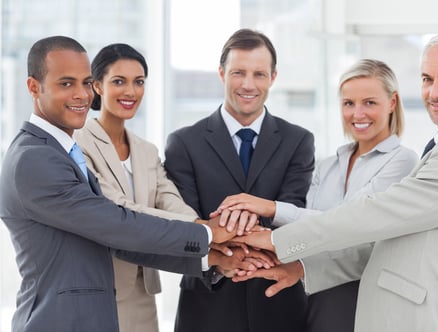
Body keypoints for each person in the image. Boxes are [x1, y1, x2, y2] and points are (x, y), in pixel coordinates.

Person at [231, 31, 438, 332]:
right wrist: (301, 268)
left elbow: (373, 214)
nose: (434, 92)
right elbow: (384, 242)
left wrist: (276, 239)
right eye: (427, 79)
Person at [0, 36, 253, 332]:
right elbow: (118, 225)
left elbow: (114, 239)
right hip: (60, 321)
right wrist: (207, 232)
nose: (81, 95)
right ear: (33, 87)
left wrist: (210, 259)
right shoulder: (36, 159)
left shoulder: (62, 151)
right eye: (66, 84)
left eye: (85, 83)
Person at [75, 43, 270, 332]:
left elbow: (170, 201)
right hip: (99, 289)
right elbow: (118, 209)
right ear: (97, 86)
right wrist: (207, 231)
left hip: (143, 293)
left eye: (138, 82)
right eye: (119, 81)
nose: (130, 91)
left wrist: (214, 239)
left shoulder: (146, 151)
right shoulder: (79, 143)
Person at [216, 59, 418, 331]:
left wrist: (272, 209)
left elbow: (351, 225)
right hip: (317, 295)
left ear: (392, 103)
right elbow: (310, 230)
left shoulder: (402, 161)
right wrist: (244, 236)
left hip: (365, 297)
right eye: (348, 103)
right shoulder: (329, 164)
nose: (358, 114)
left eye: (369, 102)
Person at [164, 28, 315, 332]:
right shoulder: (184, 143)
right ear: (221, 73)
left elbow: (292, 214)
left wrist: (230, 240)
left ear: (273, 77)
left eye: (259, 74)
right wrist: (221, 259)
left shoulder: (298, 141)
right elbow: (187, 225)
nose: (248, 85)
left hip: (279, 306)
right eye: (238, 73)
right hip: (207, 309)